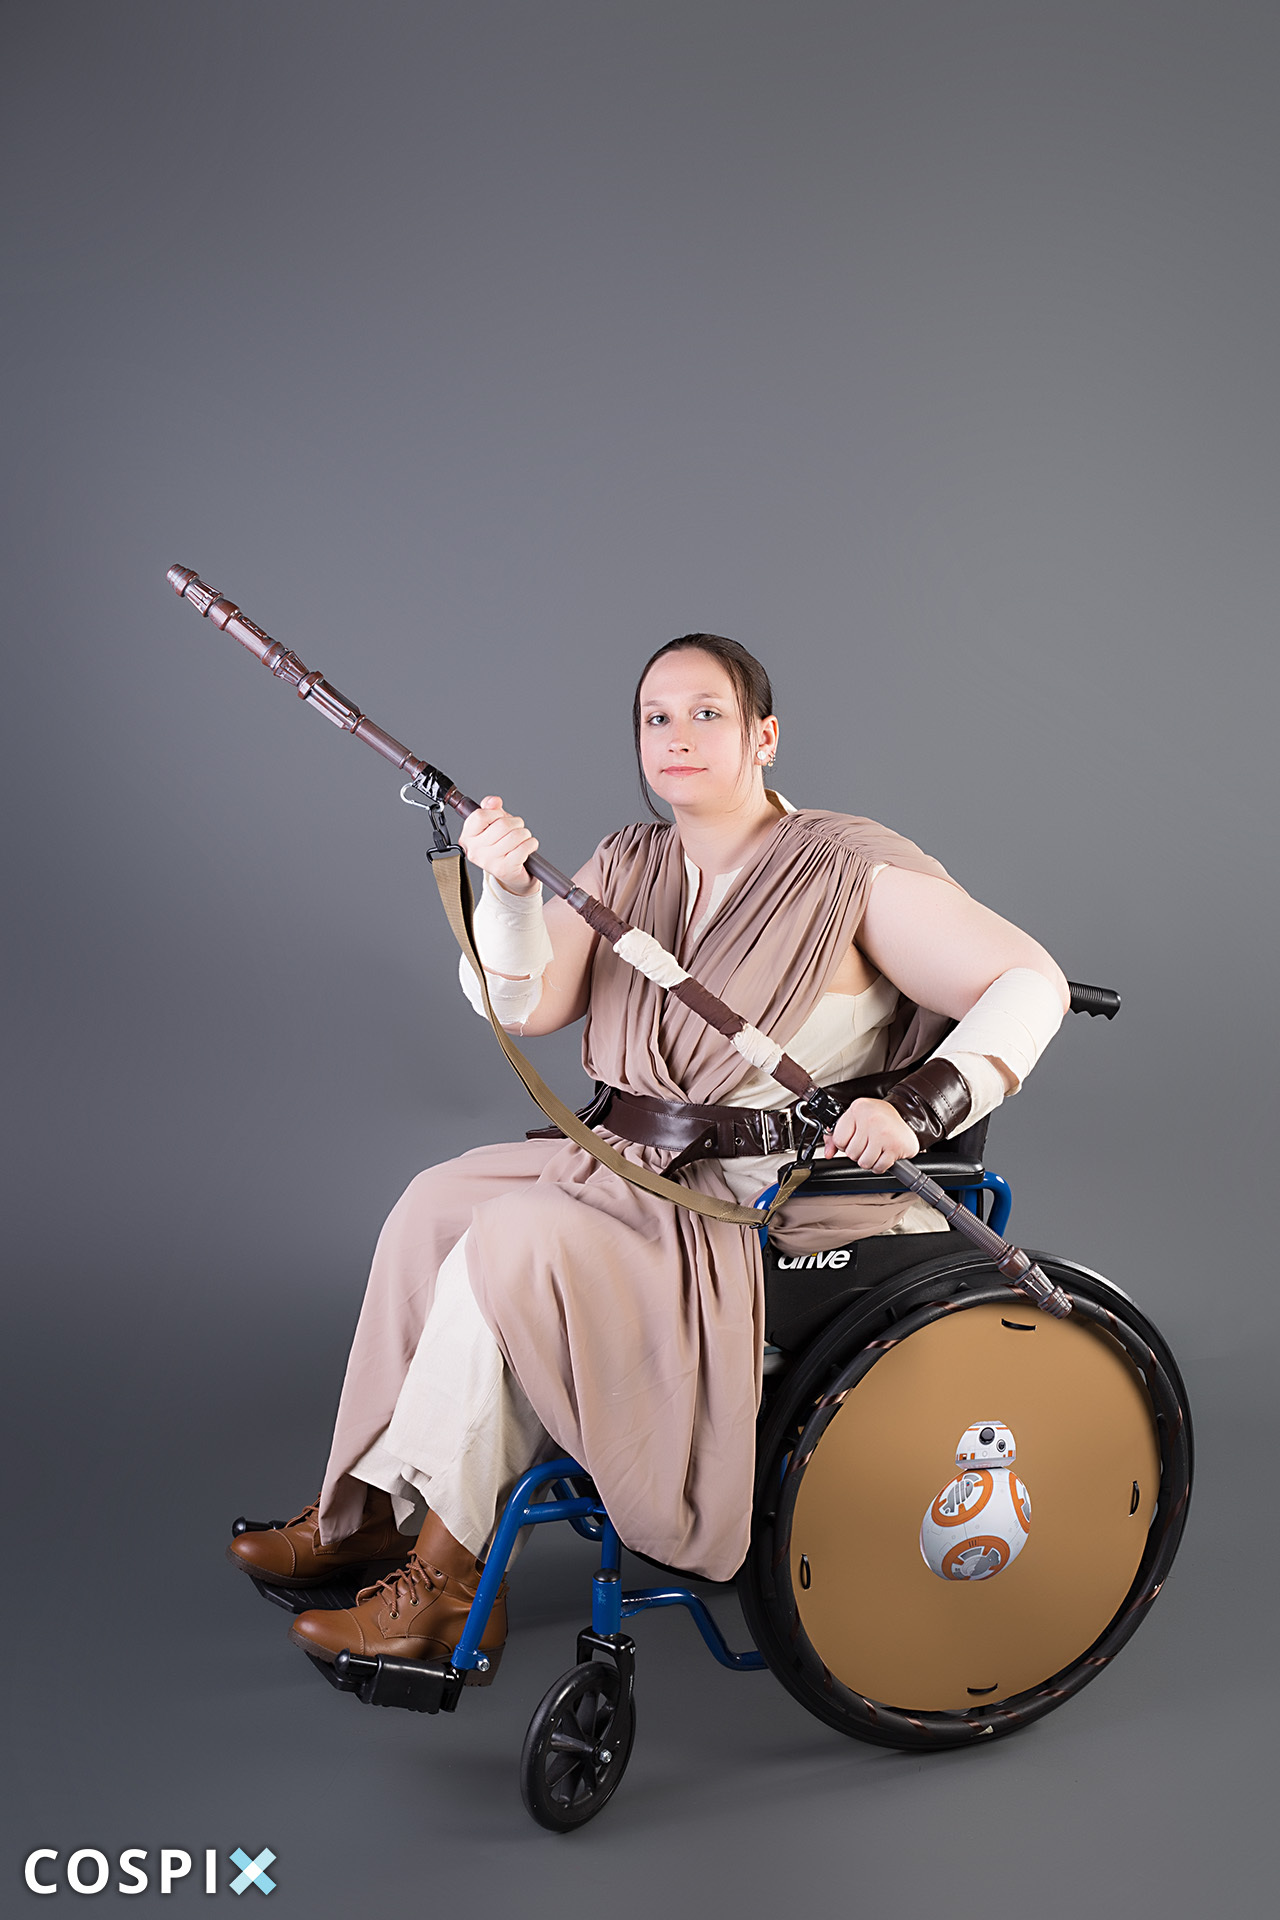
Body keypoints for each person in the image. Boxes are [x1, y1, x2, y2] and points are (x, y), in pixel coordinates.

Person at [228, 635, 1068, 1679]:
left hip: (765, 1202)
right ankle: (368, 1513)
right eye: (655, 717)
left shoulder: (847, 868)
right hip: (625, 1163)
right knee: (437, 1201)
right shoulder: (629, 862)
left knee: (515, 1236)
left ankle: (447, 1586)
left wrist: (917, 1105)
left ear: (763, 735)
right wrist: (508, 891)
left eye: (707, 713)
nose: (677, 735)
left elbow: (1029, 981)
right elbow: (529, 1003)